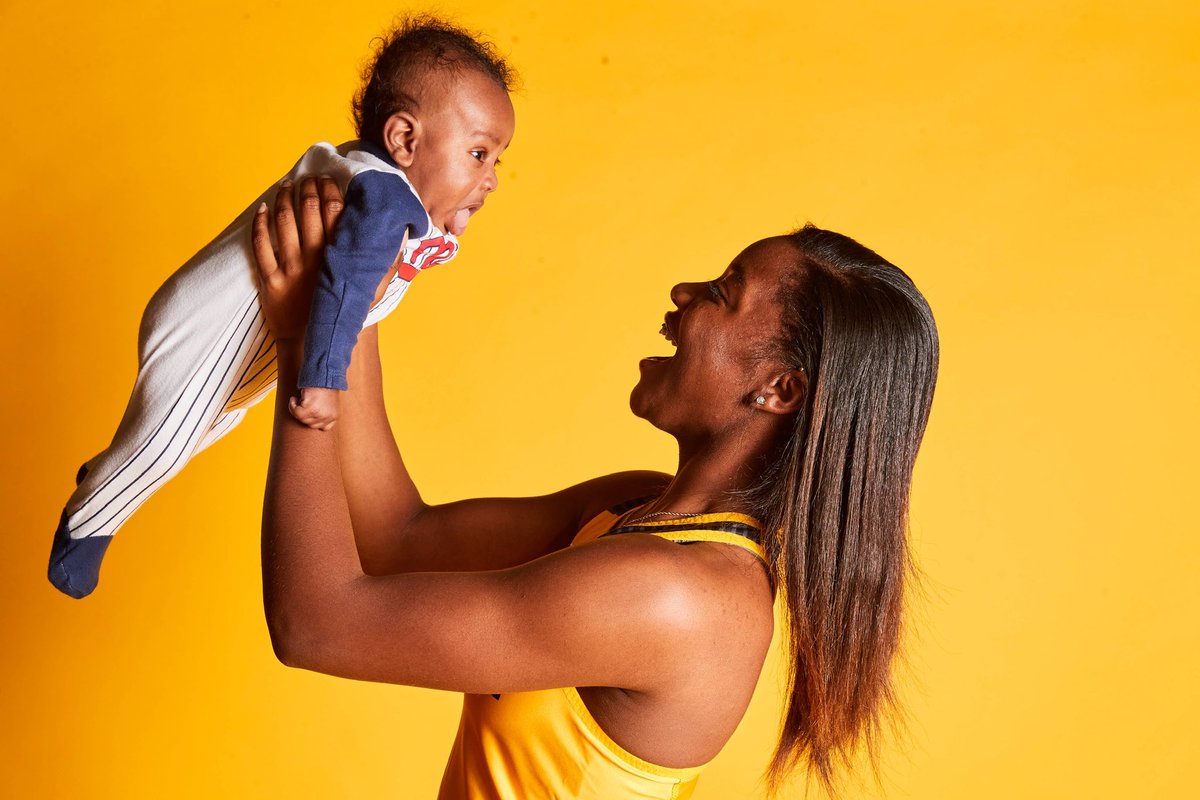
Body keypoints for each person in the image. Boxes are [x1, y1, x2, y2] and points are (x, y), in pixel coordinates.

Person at [254, 178, 938, 799]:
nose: (684, 294)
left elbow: (314, 625)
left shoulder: (675, 597)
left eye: (723, 294)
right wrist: (357, 296)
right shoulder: (637, 512)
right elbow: (396, 540)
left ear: (779, 389)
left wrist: (308, 343)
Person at [48, 17, 516, 598]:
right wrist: (322, 379)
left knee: (209, 424)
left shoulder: (373, 180)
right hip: (212, 328)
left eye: (496, 160)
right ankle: (87, 526)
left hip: (241, 343)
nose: (491, 179)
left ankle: (110, 471)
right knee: (168, 440)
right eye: (478, 154)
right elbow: (345, 286)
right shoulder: (383, 200)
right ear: (404, 139)